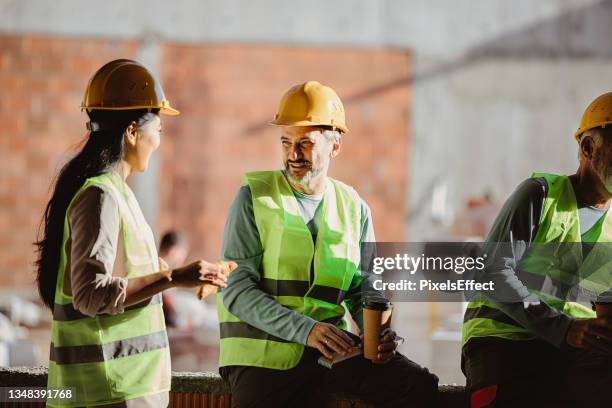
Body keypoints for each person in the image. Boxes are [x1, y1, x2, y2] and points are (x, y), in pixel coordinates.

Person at [216, 81, 438, 407]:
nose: (293, 154)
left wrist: (377, 334)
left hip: (330, 353)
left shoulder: (354, 207)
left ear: (334, 147)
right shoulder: (254, 197)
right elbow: (236, 291)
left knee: (418, 386)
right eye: (286, 142)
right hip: (262, 355)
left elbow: (364, 289)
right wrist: (307, 330)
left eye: (305, 144)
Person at [35, 59, 227, 407]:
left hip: (123, 390)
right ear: (132, 132)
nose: (159, 139)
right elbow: (90, 295)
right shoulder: (101, 196)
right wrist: (173, 276)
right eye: (159, 129)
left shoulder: (117, 194)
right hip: (105, 392)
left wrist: (185, 277)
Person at [462, 93, 612, 407]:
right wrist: (564, 328)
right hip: (502, 340)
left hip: (568, 348)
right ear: (588, 148)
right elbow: (492, 272)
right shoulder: (540, 196)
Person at [158, 230, 190, 327]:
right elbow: (171, 313)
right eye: (182, 254)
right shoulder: (163, 274)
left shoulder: (154, 267)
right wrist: (185, 323)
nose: (183, 260)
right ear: (172, 251)